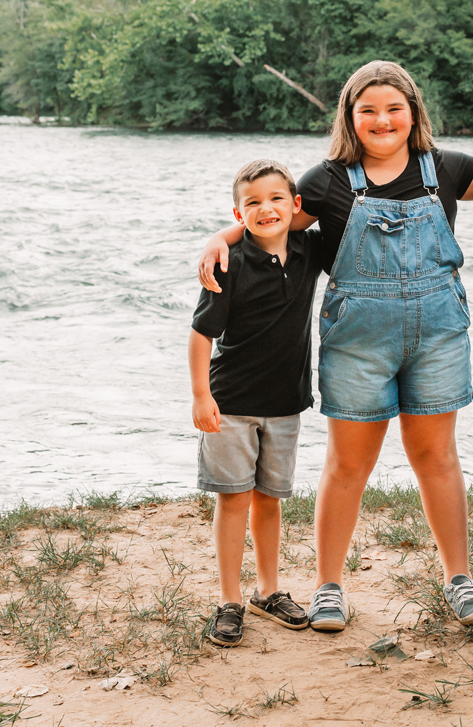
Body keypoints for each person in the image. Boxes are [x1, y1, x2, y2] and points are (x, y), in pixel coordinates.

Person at [198, 61, 473, 632]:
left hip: (436, 335)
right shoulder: (327, 179)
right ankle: (330, 586)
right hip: (358, 340)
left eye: (394, 108)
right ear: (350, 118)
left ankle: (459, 578)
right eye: (368, 110)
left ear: (414, 113)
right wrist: (221, 235)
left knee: (436, 457)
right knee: (348, 463)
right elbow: (268, 216)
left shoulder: (445, 167)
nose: (382, 120)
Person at [188, 159, 325, 646]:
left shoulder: (309, 251)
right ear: (237, 211)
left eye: (276, 199)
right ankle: (229, 600)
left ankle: (268, 591)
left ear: (295, 206)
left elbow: (338, 209)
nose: (266, 209)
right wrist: (201, 396)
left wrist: (221, 232)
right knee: (234, 500)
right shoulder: (231, 263)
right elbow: (202, 334)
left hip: (286, 403)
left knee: (270, 500)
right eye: (253, 203)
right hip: (232, 404)